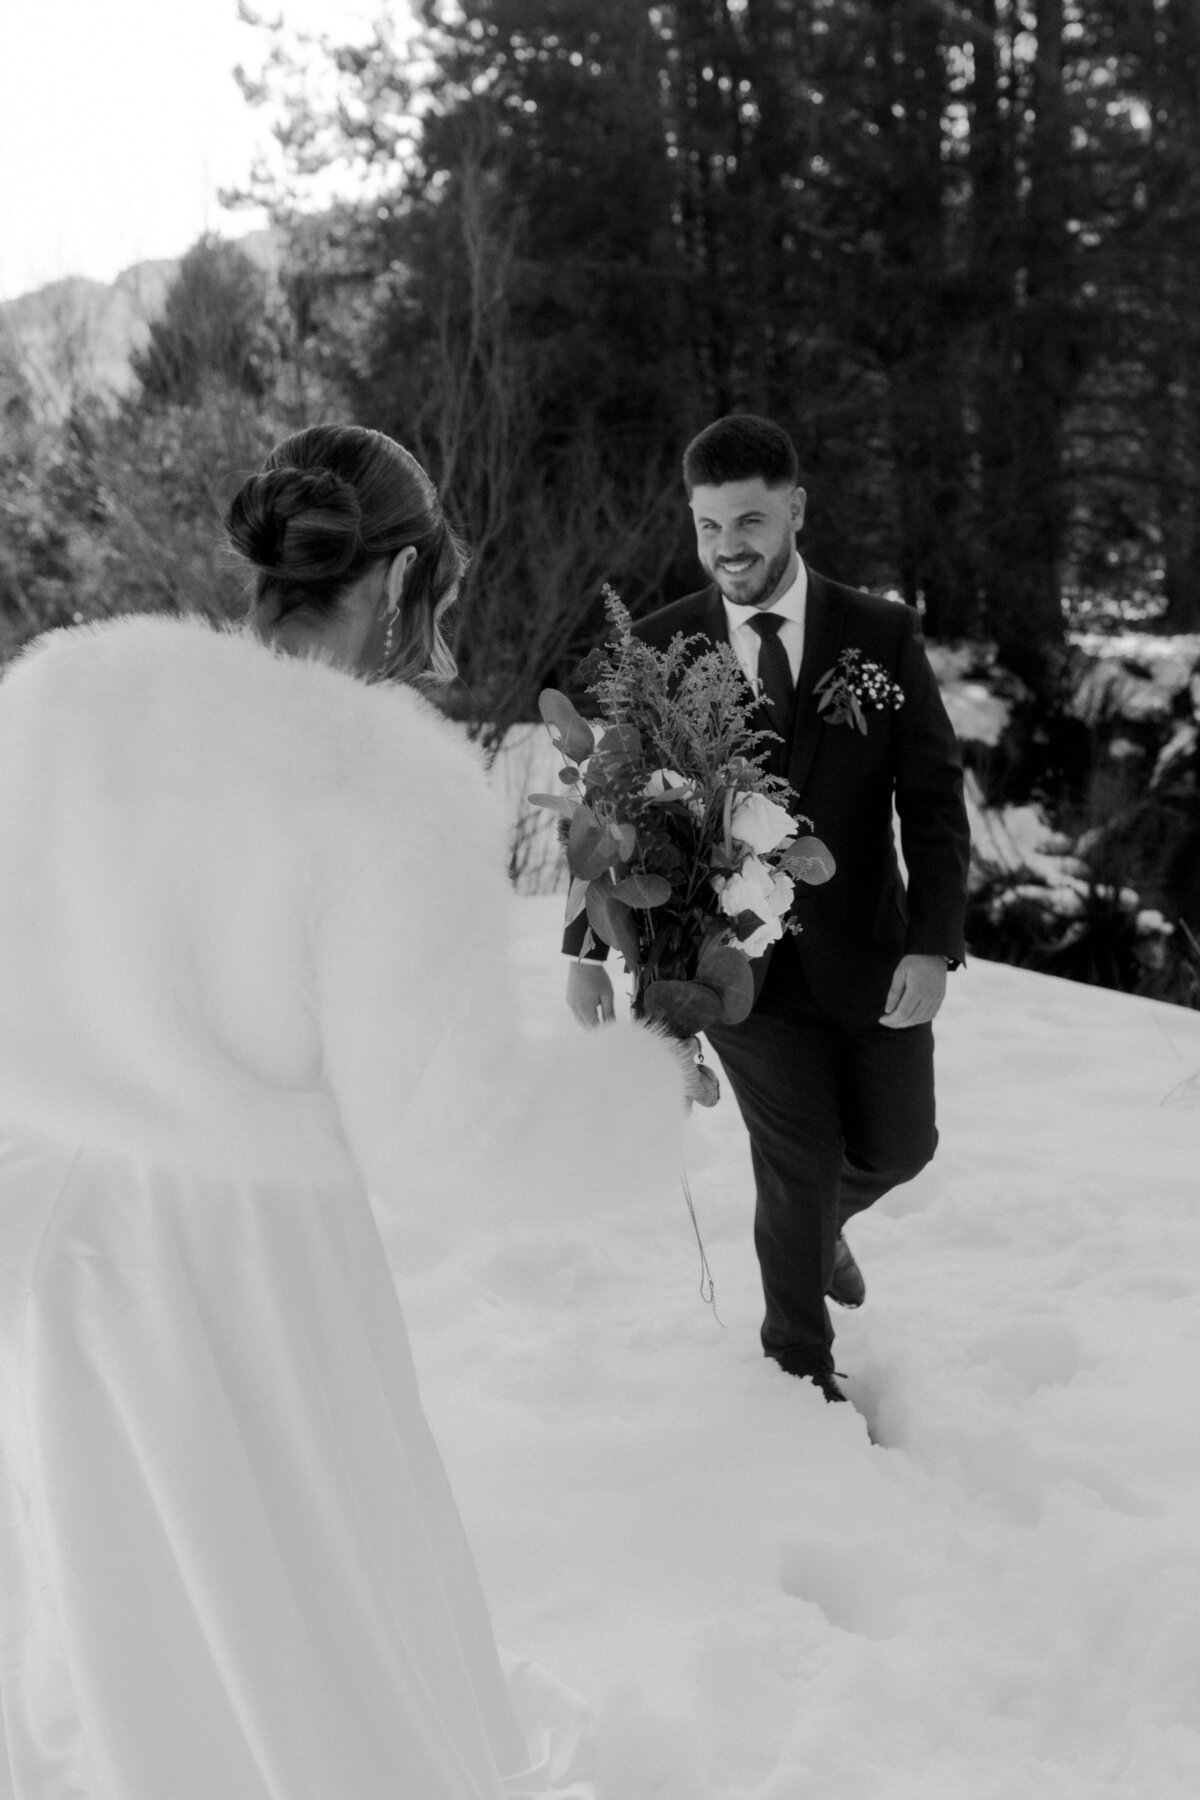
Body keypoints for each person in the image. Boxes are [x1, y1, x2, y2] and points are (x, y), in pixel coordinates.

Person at [0, 424, 694, 1800]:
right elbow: (448, 1135)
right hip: (234, 1277)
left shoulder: (60, 700)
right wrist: (652, 1082)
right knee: (295, 1630)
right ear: (401, 580)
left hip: (28, 1236)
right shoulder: (376, 780)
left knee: (88, 1624)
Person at [565, 414, 969, 1403]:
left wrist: (933, 944)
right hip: (723, 962)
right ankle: (800, 1368)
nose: (729, 546)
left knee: (900, 1149)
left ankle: (824, 1222)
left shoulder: (880, 635)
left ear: (795, 507)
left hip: (866, 950)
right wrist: (586, 948)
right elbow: (611, 811)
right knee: (795, 1156)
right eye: (708, 527)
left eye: (749, 519)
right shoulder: (659, 645)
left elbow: (933, 797)